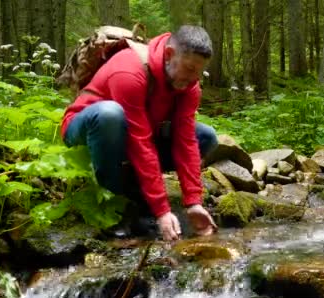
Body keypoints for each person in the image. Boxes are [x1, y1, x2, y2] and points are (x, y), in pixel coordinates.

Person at [60, 25, 218, 241]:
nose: (193, 78)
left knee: (205, 137)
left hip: (135, 135)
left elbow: (186, 141)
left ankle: (133, 188)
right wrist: (162, 210)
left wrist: (193, 202)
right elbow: (140, 141)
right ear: (170, 55)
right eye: (190, 69)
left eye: (199, 72)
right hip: (87, 130)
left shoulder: (189, 86)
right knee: (110, 115)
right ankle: (114, 206)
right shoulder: (129, 70)